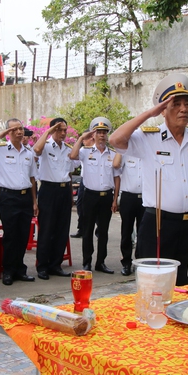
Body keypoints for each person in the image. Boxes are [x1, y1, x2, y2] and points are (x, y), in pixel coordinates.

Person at [109, 73, 188, 286]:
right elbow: (116, 139)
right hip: (158, 224)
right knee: (155, 284)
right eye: (176, 104)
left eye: (187, 104)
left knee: (187, 284)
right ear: (163, 110)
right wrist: (150, 113)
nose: (184, 109)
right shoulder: (148, 138)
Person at [0, 119, 38, 286]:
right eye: (14, 129)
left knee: (23, 235)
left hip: (25, 197)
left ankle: (19, 269)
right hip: (8, 197)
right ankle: (8, 270)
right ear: (8, 132)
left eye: (21, 128)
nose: (19, 132)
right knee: (11, 235)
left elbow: (32, 179)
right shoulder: (0, 150)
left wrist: (34, 201)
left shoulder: (28, 153)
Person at [69, 117, 120, 274]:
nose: (102, 136)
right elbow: (72, 156)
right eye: (99, 132)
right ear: (94, 135)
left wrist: (115, 199)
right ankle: (86, 262)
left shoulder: (112, 154)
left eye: (104, 133)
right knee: (88, 230)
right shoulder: (85, 152)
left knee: (103, 231)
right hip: (90, 196)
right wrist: (81, 138)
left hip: (106, 197)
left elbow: (117, 177)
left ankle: (101, 262)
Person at [33, 118, 79, 280]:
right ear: (53, 130)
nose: (63, 133)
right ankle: (42, 266)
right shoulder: (45, 146)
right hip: (48, 190)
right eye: (60, 130)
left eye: (65, 130)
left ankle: (55, 264)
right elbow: (36, 150)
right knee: (47, 229)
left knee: (61, 229)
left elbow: (71, 171)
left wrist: (69, 194)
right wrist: (48, 132)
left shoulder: (67, 149)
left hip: (64, 191)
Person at [113, 153, 144, 276]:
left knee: (142, 232)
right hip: (128, 197)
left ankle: (139, 262)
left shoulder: (148, 153)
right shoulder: (126, 154)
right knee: (126, 231)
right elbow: (115, 165)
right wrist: (121, 149)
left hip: (145, 198)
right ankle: (126, 262)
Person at [71, 130, 95, 239]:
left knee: (96, 207)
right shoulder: (83, 150)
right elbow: (74, 160)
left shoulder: (98, 149)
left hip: (95, 182)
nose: (83, 141)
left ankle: (98, 229)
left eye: (85, 139)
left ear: (91, 138)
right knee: (80, 205)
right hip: (84, 181)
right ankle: (82, 228)